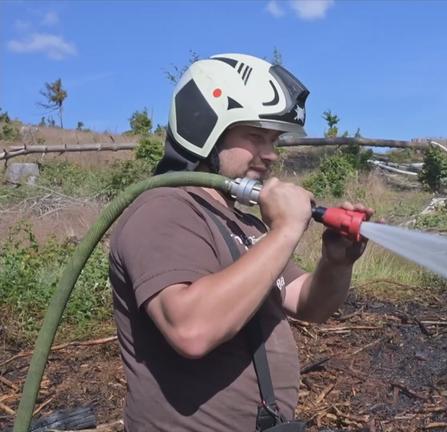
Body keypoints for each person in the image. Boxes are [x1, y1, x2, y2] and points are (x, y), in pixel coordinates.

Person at [109, 53, 373, 431]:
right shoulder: (164, 208)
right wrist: (284, 231)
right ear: (205, 128)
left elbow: (307, 302)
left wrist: (336, 262)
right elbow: (191, 328)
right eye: (255, 136)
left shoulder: (242, 222)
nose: (271, 154)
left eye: (274, 139)